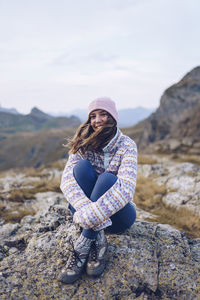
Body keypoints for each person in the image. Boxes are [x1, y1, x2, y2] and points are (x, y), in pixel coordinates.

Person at [58, 97, 137, 284]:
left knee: (108, 179)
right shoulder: (84, 143)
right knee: (80, 168)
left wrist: (87, 217)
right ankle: (98, 238)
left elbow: (126, 189)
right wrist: (88, 211)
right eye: (93, 116)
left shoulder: (127, 145)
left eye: (103, 114)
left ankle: (83, 246)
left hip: (120, 216)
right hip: (90, 213)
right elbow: (67, 181)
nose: (97, 120)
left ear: (113, 117)